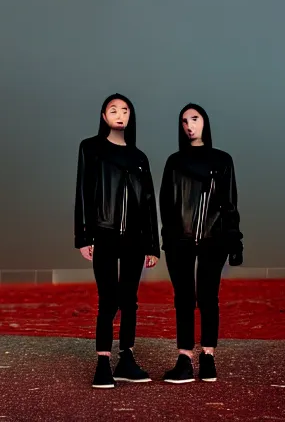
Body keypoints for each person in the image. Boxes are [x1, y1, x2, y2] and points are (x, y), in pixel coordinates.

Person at [74, 93, 160, 389]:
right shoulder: (91, 148)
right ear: (103, 116)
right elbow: (82, 194)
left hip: (136, 239)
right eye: (114, 110)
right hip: (105, 235)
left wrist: (153, 244)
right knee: (107, 300)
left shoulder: (139, 157)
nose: (120, 115)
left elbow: (149, 203)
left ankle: (126, 359)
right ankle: (102, 363)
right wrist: (83, 236)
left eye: (125, 110)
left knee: (130, 301)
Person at [159, 103, 243, 383]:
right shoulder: (175, 161)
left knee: (208, 298)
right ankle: (185, 358)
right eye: (184, 121)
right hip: (180, 241)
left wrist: (234, 240)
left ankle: (208, 357)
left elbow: (230, 203)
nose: (189, 125)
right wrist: (168, 238)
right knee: (183, 299)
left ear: (205, 122)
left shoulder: (222, 160)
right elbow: (166, 203)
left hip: (213, 239)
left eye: (194, 119)